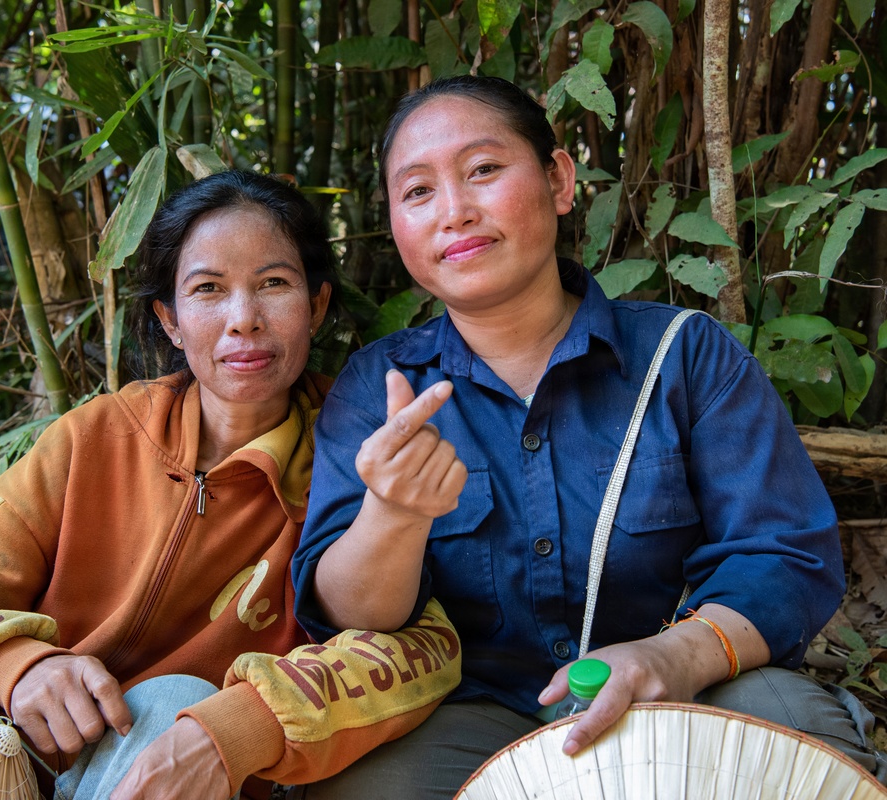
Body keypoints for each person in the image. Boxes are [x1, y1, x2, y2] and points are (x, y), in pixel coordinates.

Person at [290, 75, 887, 798]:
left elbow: (786, 553)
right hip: (466, 713)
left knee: (790, 749)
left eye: (483, 170)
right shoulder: (378, 387)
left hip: (685, 686)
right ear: (395, 224)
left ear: (559, 179)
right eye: (417, 192)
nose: (454, 210)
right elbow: (350, 617)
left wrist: (675, 655)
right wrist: (394, 515)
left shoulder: (684, 355)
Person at [0, 170, 461, 800]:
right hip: (10, 757)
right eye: (208, 289)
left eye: (274, 284)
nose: (244, 320)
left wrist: (239, 726)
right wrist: (14, 665)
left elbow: (424, 648)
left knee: (169, 703)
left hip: (200, 780)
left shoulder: (356, 449)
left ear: (317, 306)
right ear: (170, 319)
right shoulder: (94, 437)